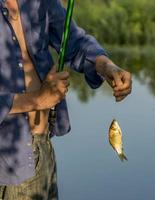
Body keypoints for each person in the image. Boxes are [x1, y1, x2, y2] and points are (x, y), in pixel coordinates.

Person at [0, 0, 132, 199]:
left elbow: (74, 41)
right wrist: (37, 99)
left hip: (42, 146)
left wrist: (106, 67)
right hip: (7, 165)